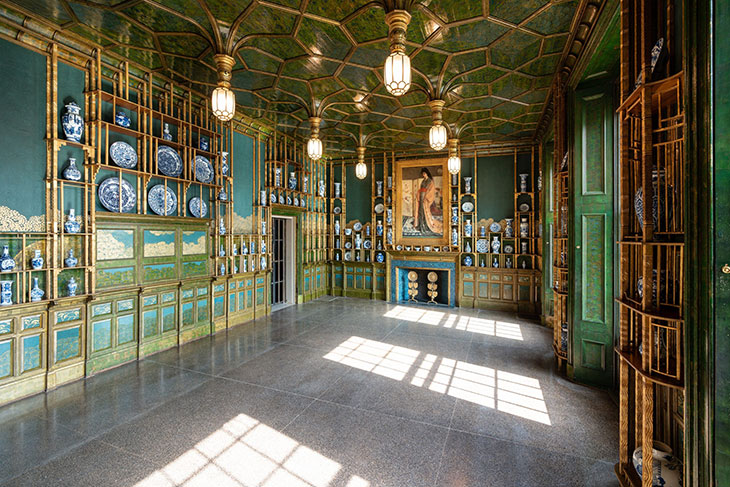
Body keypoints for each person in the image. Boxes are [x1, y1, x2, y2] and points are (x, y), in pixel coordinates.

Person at [413, 167, 443, 235]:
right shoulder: (423, 181)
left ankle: (426, 226)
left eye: (424, 173)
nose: (423, 175)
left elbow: (431, 191)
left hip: (425, 198)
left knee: (425, 212)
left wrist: (426, 197)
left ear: (427, 173)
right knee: (420, 211)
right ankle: (421, 225)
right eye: (422, 174)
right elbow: (421, 189)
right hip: (421, 197)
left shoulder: (430, 181)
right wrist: (419, 193)